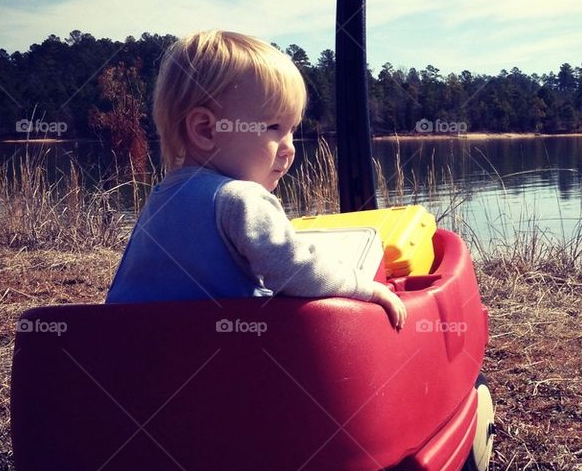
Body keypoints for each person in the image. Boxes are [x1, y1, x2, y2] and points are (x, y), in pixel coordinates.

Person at [105, 29, 406, 329]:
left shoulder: (159, 198)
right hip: (222, 356)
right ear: (206, 130)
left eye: (292, 130)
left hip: (139, 354)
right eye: (274, 127)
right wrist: (365, 287)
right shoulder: (240, 198)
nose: (289, 148)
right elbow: (296, 270)